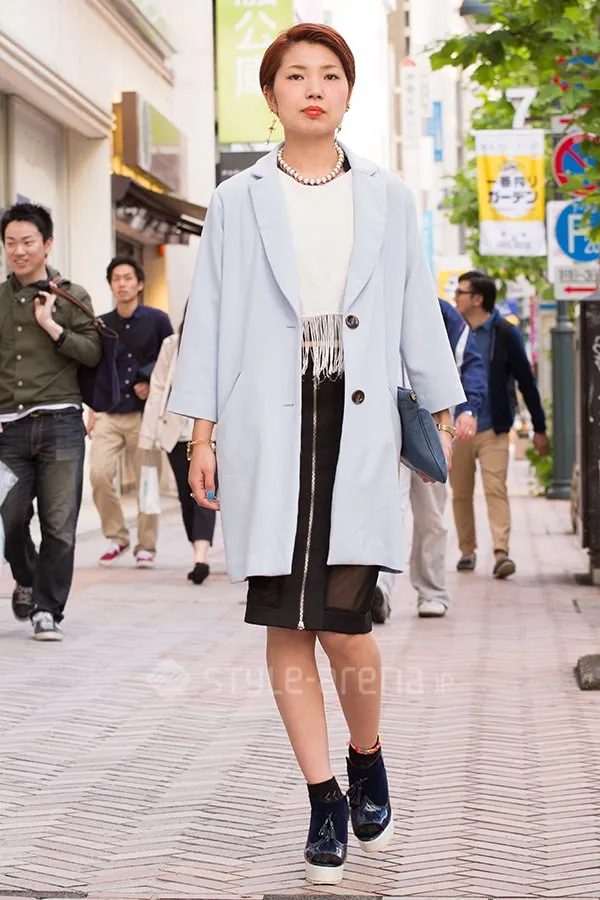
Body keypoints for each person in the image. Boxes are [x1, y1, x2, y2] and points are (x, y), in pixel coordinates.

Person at [169, 24, 465, 885]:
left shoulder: (387, 195)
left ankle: (367, 755)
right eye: (294, 75)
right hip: (270, 420)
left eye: (329, 75)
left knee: (345, 625)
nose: (313, 88)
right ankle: (323, 797)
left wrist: (442, 403)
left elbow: (414, 304)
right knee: (286, 620)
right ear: (270, 95)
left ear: (348, 92)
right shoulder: (238, 199)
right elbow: (209, 318)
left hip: (357, 418)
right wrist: (201, 434)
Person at [0, 203, 101, 641]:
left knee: (59, 524)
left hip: (61, 424)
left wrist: (51, 325)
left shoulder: (71, 296)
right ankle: (26, 576)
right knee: (10, 516)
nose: (19, 251)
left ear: (47, 244)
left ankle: (47, 609)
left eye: (27, 242)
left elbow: (93, 352)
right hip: (9, 428)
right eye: (10, 243)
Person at [373, 298, 487, 622]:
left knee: (431, 516)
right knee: (386, 509)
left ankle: (432, 592)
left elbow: (470, 363)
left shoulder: (440, 311)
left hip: (430, 424)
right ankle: (378, 590)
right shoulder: (371, 301)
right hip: (383, 420)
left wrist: (468, 409)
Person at [452, 270, 549, 578]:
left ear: (477, 299)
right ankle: (467, 551)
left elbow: (526, 382)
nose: (456, 298)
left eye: (461, 292)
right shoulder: (453, 331)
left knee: (496, 489)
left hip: (493, 427)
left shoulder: (505, 333)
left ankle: (500, 552)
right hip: (457, 428)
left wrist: (539, 428)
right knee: (460, 493)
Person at [88, 258, 173, 569]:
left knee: (147, 481)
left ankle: (146, 546)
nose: (122, 284)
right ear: (110, 285)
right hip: (109, 413)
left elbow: (171, 359)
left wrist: (151, 384)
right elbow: (93, 368)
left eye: (127, 278)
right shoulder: (100, 324)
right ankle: (117, 537)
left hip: (144, 415)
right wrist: (92, 409)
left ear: (139, 284)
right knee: (98, 474)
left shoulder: (158, 320)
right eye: (116, 278)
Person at [138, 318, 216, 584]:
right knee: (186, 495)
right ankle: (197, 548)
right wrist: (148, 437)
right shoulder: (172, 345)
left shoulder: (222, 341)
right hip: (176, 434)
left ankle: (201, 557)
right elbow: (158, 390)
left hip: (211, 436)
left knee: (205, 491)